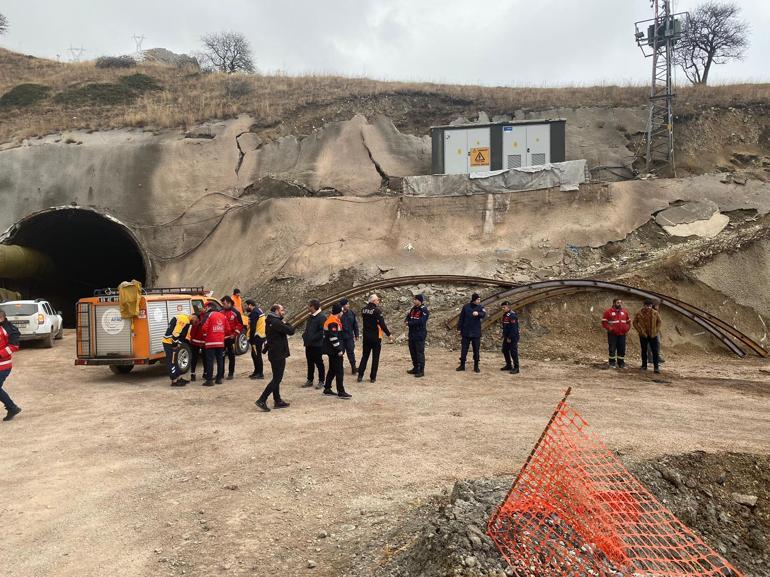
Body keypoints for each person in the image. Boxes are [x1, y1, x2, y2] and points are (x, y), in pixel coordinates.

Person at [255, 304, 295, 412]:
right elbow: (291, 331)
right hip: (278, 354)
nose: (283, 312)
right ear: (277, 311)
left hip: (274, 353)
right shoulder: (277, 322)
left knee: (276, 378)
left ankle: (277, 400)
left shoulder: (270, 320)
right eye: (282, 310)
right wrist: (286, 322)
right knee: (277, 378)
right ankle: (262, 399)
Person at [357, 294, 391, 383]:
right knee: (375, 357)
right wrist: (389, 334)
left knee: (365, 356)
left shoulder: (363, 310)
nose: (378, 302)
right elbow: (382, 324)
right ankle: (373, 377)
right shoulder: (377, 311)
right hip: (375, 337)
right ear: (373, 301)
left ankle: (360, 375)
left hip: (366, 336)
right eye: (377, 300)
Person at [322, 303, 352, 399]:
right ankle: (341, 391)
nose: (342, 313)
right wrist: (339, 350)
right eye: (342, 311)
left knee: (333, 369)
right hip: (334, 350)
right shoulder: (333, 322)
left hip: (331, 350)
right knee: (339, 371)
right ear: (339, 312)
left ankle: (327, 388)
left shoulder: (333, 320)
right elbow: (333, 338)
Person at [162, 312, 199, 387]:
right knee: (171, 361)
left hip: (172, 342)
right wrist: (175, 344)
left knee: (176, 361)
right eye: (196, 321)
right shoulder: (184, 319)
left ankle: (178, 378)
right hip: (169, 342)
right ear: (194, 317)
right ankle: (174, 380)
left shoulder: (186, 319)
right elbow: (176, 333)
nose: (195, 323)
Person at [456, 293, 487, 373]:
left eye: (479, 299)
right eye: (478, 299)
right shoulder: (466, 307)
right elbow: (461, 318)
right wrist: (459, 328)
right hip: (466, 332)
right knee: (464, 350)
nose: (479, 301)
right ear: (474, 300)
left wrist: (478, 313)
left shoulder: (480, 307)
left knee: (476, 350)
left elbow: (484, 314)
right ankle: (462, 365)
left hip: (476, 333)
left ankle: (476, 366)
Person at [201, 302, 230, 386]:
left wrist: (206, 334)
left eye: (206, 307)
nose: (205, 309)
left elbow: (203, 328)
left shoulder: (209, 315)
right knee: (220, 360)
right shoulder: (223, 316)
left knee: (210, 361)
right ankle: (219, 379)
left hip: (210, 342)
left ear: (209, 307)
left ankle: (209, 380)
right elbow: (228, 329)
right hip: (220, 342)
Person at [0, 310, 22, 421]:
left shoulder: (9, 329)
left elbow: (14, 346)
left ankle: (12, 408)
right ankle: (12, 408)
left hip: (3, 366)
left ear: (1, 318)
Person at [633, 299, 663, 373]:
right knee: (644, 350)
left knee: (655, 351)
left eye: (650, 306)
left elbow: (659, 322)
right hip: (643, 335)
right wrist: (640, 331)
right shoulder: (639, 313)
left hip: (653, 335)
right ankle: (644, 366)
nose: (648, 307)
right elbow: (634, 322)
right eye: (647, 306)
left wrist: (656, 331)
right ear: (644, 305)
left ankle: (656, 368)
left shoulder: (655, 313)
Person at [302, 299, 326, 388]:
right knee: (310, 362)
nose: (307, 307)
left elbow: (321, 332)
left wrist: (311, 338)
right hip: (309, 344)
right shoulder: (310, 316)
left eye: (308, 305)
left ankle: (321, 381)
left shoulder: (322, 317)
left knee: (319, 363)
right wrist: (304, 336)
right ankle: (310, 380)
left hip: (317, 345)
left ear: (312, 307)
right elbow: (307, 329)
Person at [601, 298, 631, 368]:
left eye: (620, 302)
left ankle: (621, 363)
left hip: (622, 334)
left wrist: (626, 329)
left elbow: (628, 322)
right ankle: (612, 363)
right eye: (618, 302)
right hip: (612, 334)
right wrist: (610, 329)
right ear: (614, 303)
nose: (619, 304)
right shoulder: (608, 312)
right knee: (612, 348)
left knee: (622, 349)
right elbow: (604, 322)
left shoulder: (624, 312)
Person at [221, 295, 245, 380]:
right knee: (221, 356)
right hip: (222, 339)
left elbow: (240, 325)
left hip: (231, 338)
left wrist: (234, 334)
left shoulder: (236, 313)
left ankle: (231, 373)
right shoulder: (221, 312)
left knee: (231, 356)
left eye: (224, 303)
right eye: (222, 304)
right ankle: (221, 373)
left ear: (229, 303)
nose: (223, 305)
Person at [405, 294, 429, 378]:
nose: (414, 301)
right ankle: (415, 367)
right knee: (413, 351)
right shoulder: (413, 309)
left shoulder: (424, 310)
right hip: (412, 334)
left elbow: (422, 321)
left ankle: (421, 370)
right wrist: (406, 321)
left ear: (419, 300)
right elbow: (408, 317)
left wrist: (410, 323)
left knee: (419, 352)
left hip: (419, 334)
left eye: (415, 299)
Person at [188, 304, 210, 382]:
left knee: (200, 358)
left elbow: (192, 333)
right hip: (198, 342)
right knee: (200, 358)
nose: (203, 309)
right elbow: (193, 332)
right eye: (203, 308)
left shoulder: (204, 317)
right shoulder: (200, 317)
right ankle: (196, 374)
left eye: (204, 308)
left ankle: (200, 373)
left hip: (200, 342)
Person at [245, 299, 266, 380]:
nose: (246, 307)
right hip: (260, 336)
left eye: (247, 305)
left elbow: (253, 327)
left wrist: (251, 338)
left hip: (256, 337)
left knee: (257, 356)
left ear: (250, 305)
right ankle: (256, 371)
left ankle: (260, 373)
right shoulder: (259, 310)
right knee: (255, 355)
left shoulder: (254, 313)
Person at [339, 298, 359, 375]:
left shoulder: (351, 313)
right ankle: (339, 368)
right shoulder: (338, 314)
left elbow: (355, 324)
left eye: (348, 304)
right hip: (340, 337)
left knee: (351, 352)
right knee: (340, 353)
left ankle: (353, 368)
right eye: (347, 304)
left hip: (349, 337)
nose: (348, 305)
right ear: (343, 305)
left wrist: (356, 334)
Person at [500, 301, 520, 374]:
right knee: (505, 350)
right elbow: (506, 327)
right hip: (507, 336)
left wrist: (510, 338)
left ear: (508, 307)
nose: (503, 308)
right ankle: (509, 365)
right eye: (502, 307)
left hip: (512, 337)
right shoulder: (505, 315)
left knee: (513, 352)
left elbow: (513, 329)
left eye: (504, 307)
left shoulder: (512, 315)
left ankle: (516, 368)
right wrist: (504, 335)